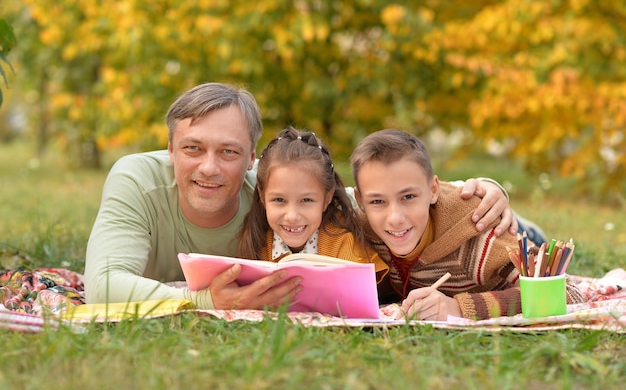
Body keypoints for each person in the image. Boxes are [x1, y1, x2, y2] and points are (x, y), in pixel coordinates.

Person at [84, 82, 518, 310]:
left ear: (252, 158)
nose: (210, 167)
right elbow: (101, 288)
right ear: (170, 149)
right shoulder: (137, 180)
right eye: (193, 148)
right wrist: (201, 301)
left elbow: (376, 199)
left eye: (229, 152)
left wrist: (485, 189)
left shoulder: (272, 193)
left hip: (476, 229)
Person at [350, 129, 585, 320]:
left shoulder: (480, 236)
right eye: (378, 201)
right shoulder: (357, 230)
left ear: (433, 190)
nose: (395, 217)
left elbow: (566, 293)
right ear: (360, 201)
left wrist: (459, 308)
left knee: (514, 228)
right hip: (446, 201)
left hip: (510, 228)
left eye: (408, 197)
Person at [238, 127, 388, 281]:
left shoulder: (343, 243)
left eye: (306, 200)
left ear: (326, 199)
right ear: (262, 197)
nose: (292, 216)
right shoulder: (258, 244)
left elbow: (364, 290)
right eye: (279, 200)